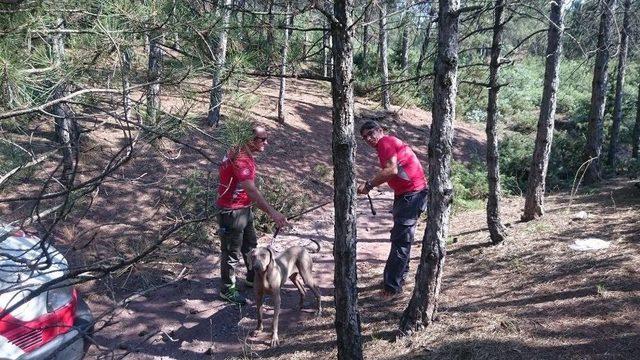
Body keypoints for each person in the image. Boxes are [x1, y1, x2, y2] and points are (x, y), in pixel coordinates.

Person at [216, 124, 289, 305]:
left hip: (243, 208)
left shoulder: (241, 152)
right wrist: (274, 214)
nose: (266, 142)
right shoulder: (240, 158)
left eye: (266, 138)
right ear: (250, 140)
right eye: (262, 139)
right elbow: (251, 190)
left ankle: (252, 278)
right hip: (232, 211)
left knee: (250, 246)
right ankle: (227, 289)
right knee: (231, 252)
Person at [357, 120, 428, 298]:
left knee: (400, 241)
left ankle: (391, 288)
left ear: (380, 130)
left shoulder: (385, 142)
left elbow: (391, 170)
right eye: (364, 137)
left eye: (371, 133)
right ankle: (398, 280)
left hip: (412, 195)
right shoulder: (387, 143)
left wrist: (369, 185)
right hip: (408, 194)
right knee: (402, 239)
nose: (368, 139)